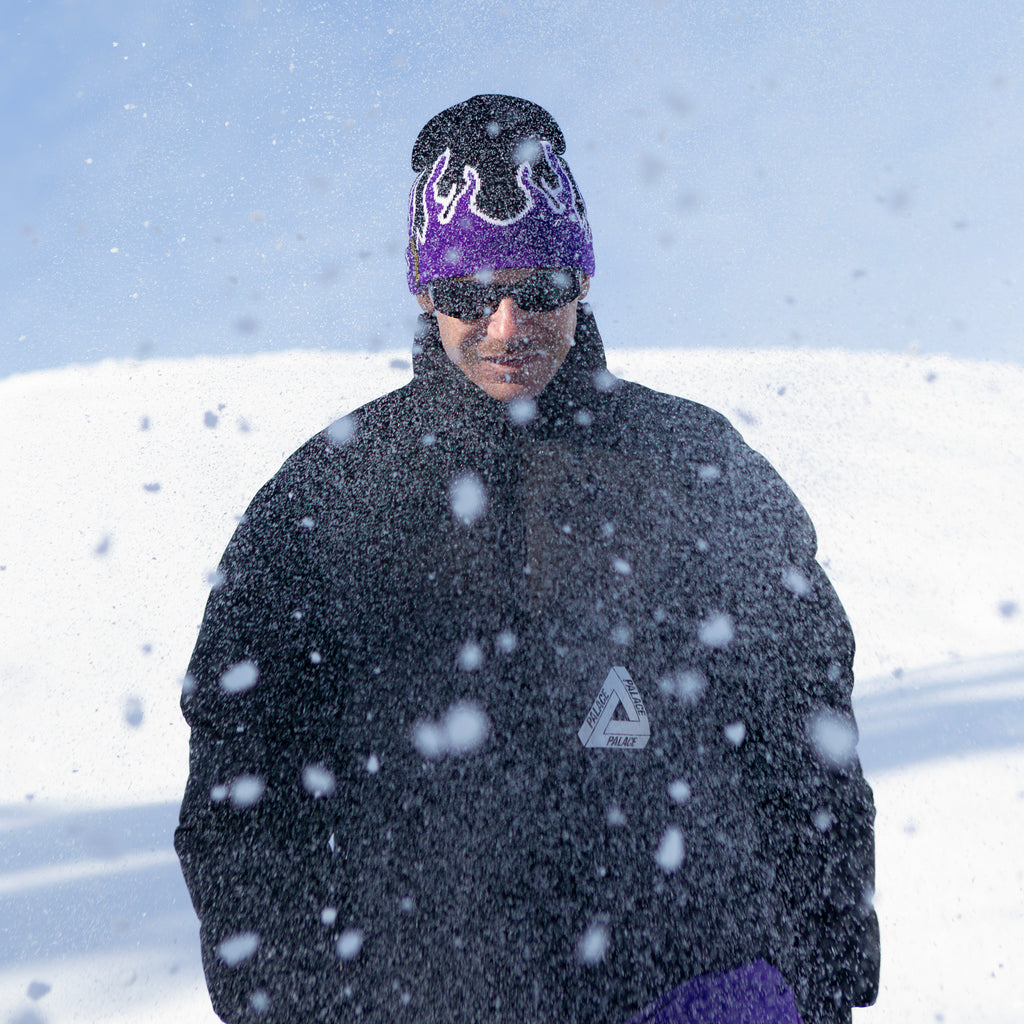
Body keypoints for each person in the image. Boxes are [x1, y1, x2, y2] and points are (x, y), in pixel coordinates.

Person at [175, 94, 880, 1024]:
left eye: (540, 284)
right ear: (426, 293)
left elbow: (804, 730)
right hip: (436, 998)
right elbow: (244, 784)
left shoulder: (695, 467)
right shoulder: (329, 499)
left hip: (705, 986)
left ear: (582, 281)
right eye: (471, 291)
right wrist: (287, 1003)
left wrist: (823, 977)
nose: (509, 325)